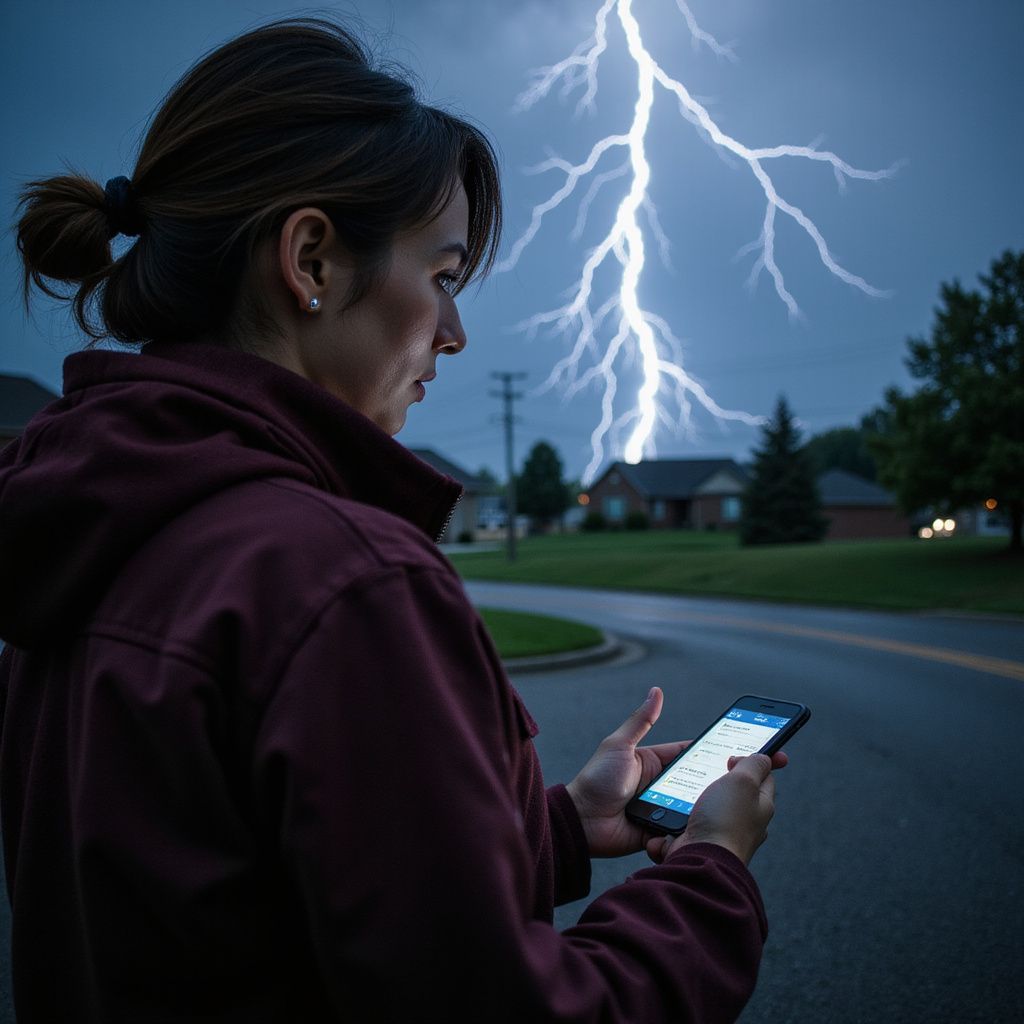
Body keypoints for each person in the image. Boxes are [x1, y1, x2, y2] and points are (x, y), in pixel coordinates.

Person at [0, 19, 788, 1023]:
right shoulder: (342, 580)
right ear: (313, 260)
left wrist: (561, 827)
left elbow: (232, 890)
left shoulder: (76, 530)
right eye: (443, 276)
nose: (455, 334)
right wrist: (713, 871)